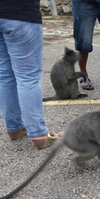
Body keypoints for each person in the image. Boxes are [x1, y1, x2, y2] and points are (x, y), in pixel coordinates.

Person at [0, 0, 61, 149]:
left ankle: (14, 128)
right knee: (27, 77)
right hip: (20, 14)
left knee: (4, 75)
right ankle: (38, 134)